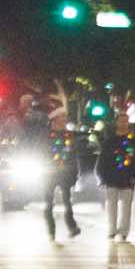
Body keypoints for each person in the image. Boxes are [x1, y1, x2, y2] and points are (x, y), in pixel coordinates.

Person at [31, 92, 82, 241]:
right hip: (49, 174)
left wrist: (74, 173)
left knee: (68, 202)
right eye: (62, 117)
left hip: (65, 174)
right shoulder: (45, 136)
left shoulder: (69, 135)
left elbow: (73, 155)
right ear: (55, 119)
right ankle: (51, 231)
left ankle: (72, 227)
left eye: (65, 117)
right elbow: (40, 153)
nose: (65, 120)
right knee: (49, 203)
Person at [97, 114, 135, 241]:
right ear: (116, 123)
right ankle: (112, 229)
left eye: (126, 121)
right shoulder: (110, 141)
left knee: (126, 207)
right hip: (111, 178)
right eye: (121, 121)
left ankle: (123, 231)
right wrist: (102, 177)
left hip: (128, 179)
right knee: (111, 205)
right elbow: (102, 160)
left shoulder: (133, 141)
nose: (123, 124)